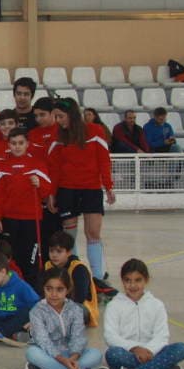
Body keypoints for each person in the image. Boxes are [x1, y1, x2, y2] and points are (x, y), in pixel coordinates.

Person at [48, 98, 114, 280]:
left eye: (61, 116)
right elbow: (54, 167)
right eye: (55, 117)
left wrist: (108, 186)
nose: (58, 121)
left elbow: (103, 160)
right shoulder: (58, 136)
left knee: (93, 233)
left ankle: (99, 278)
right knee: (69, 235)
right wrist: (52, 193)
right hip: (67, 190)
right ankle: (73, 274)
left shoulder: (95, 131)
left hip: (91, 189)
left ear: (72, 114)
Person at [104, 258, 184, 369]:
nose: (132, 286)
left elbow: (162, 335)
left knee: (182, 348)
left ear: (146, 280)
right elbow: (110, 336)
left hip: (153, 352)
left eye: (138, 280)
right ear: (122, 281)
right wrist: (134, 348)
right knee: (112, 354)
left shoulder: (156, 305)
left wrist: (149, 350)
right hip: (128, 353)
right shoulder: (114, 305)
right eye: (128, 281)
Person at [25, 267, 110, 369]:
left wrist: (73, 358)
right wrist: (63, 361)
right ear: (43, 288)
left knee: (96, 354)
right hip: (48, 354)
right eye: (49, 289)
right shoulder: (36, 311)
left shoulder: (75, 309)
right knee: (32, 353)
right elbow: (43, 341)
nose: (54, 294)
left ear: (68, 289)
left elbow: (78, 337)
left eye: (59, 289)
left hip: (71, 354)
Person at [0, 127, 55, 285]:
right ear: (8, 145)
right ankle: (12, 287)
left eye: (21, 143)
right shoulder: (4, 167)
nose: (17, 146)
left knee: (31, 257)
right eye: (13, 143)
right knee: (12, 256)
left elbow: (47, 190)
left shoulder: (36, 164)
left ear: (27, 144)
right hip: (10, 219)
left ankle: (32, 289)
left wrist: (39, 183)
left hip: (31, 219)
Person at [0, 253, 38, 343]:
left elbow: (37, 303)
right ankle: (7, 334)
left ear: (3, 272)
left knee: (26, 312)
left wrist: (34, 321)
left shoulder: (21, 285)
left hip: (15, 319)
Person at [44, 231, 102, 326]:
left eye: (59, 251)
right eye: (51, 251)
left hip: (82, 308)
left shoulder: (79, 268)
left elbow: (79, 298)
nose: (54, 255)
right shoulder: (47, 266)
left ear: (68, 252)